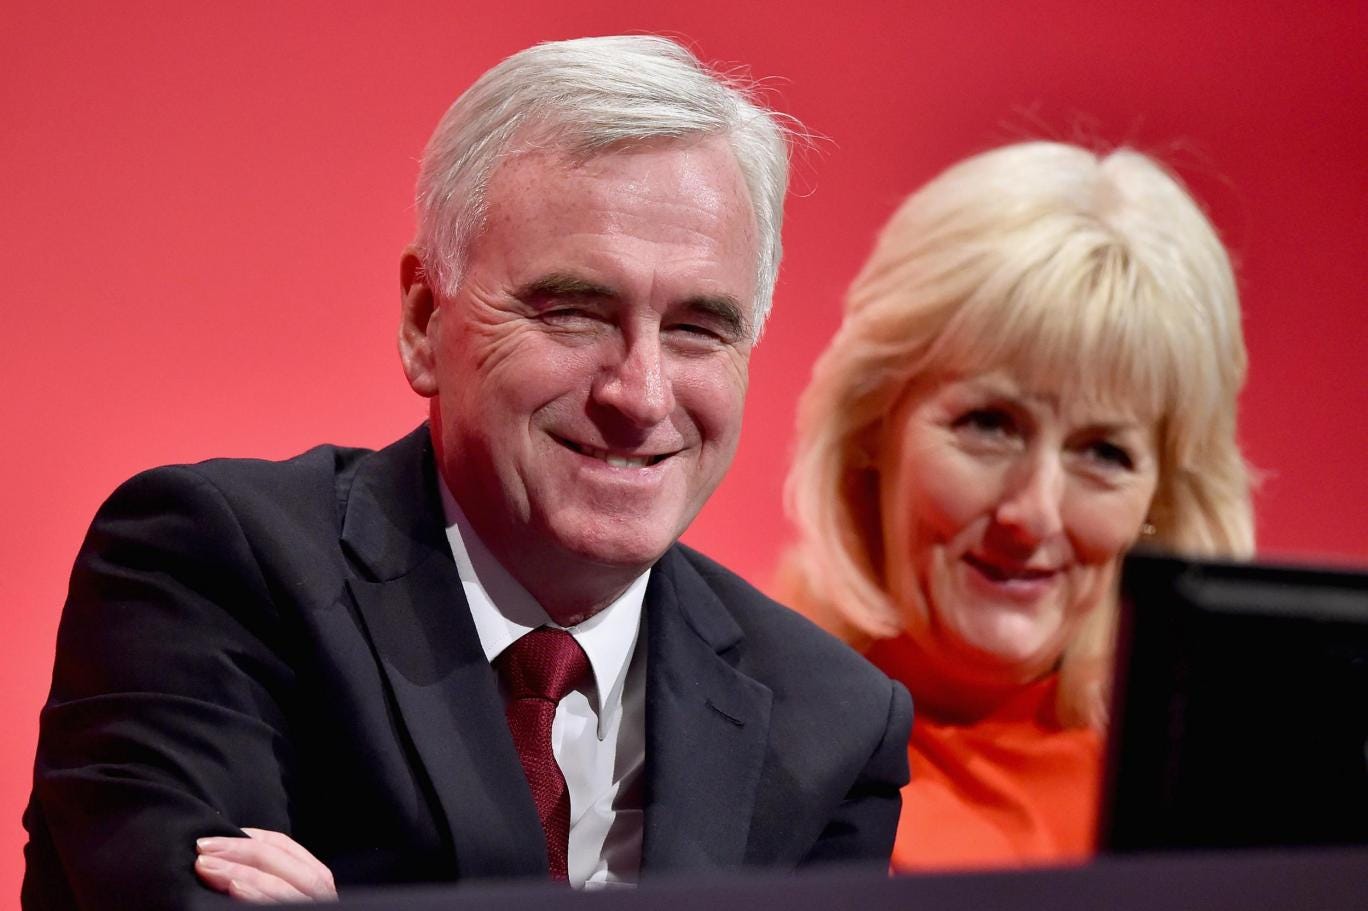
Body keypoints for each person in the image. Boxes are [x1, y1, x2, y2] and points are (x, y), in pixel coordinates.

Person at [23, 35, 912, 909]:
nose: (640, 394)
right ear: (423, 320)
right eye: (572, 311)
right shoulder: (211, 568)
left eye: (697, 329)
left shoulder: (829, 724)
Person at [778, 141, 1253, 870]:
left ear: (1159, 498)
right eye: (990, 424)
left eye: (1104, 453)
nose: (1033, 514)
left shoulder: (1218, 804)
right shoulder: (718, 729)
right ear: (874, 428)